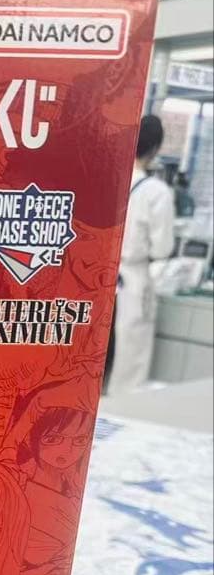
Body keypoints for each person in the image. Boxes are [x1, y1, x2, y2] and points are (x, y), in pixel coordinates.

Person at [106, 115, 175, 394]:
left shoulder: (109, 179)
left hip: (97, 275)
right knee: (129, 360)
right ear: (155, 147)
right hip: (133, 279)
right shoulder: (156, 193)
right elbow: (162, 248)